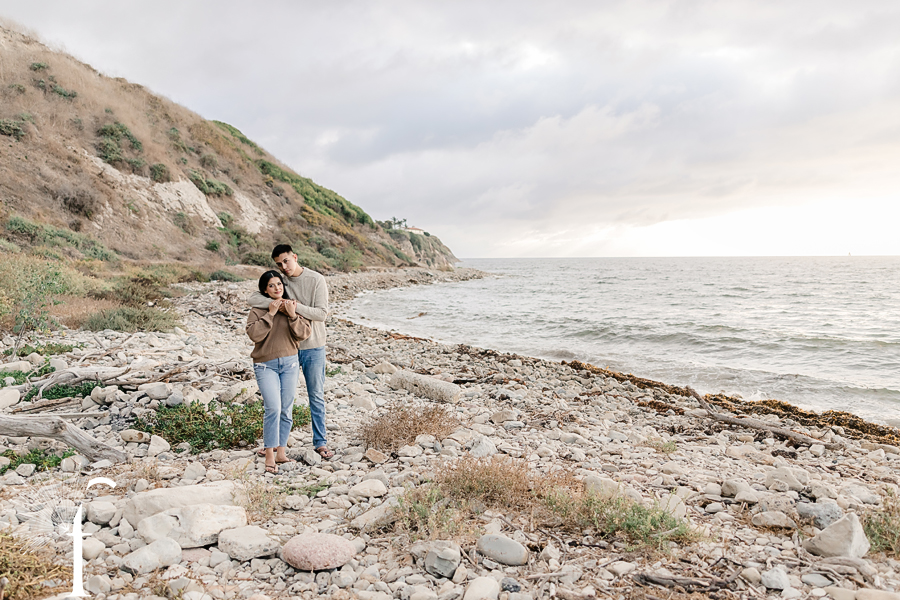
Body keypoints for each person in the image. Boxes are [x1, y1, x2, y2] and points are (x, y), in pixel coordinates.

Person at [248, 244, 334, 459]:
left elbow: (322, 314)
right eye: (279, 264)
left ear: (294, 257)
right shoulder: (280, 281)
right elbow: (253, 299)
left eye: (286, 261)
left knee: (315, 395)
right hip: (288, 350)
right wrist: (279, 302)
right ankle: (276, 445)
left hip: (313, 345)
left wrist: (292, 307)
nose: (283, 267)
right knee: (283, 402)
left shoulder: (316, 280)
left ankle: (320, 442)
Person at [246, 270, 311, 474]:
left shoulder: (291, 306)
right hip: (265, 366)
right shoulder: (258, 310)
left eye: (279, 284)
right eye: (271, 285)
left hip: (290, 364)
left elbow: (304, 333)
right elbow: (255, 335)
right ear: (265, 290)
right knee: (273, 408)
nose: (276, 288)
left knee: (286, 409)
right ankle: (269, 456)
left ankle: (281, 453)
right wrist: (271, 314)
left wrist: (292, 316)